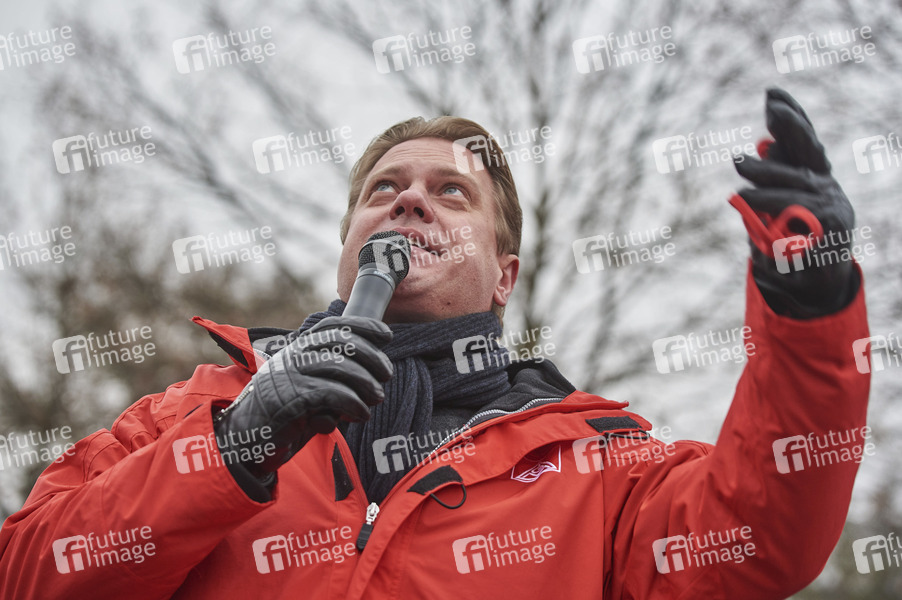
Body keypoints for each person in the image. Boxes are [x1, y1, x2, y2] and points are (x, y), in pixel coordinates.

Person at [0, 88, 870, 599]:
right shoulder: (194, 412)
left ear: (504, 277)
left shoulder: (600, 466)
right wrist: (234, 448)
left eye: (452, 193)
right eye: (384, 188)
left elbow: (763, 536)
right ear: (349, 244)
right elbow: (26, 574)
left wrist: (810, 305)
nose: (409, 200)